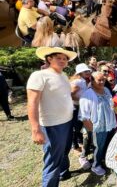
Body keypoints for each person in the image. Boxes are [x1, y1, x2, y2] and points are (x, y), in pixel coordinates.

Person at [27, 47, 77, 186]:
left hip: (68, 121)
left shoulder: (64, 75)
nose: (62, 61)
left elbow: (65, 95)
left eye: (65, 58)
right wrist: (35, 129)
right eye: (58, 57)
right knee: (52, 161)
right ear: (49, 58)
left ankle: (63, 172)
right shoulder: (39, 75)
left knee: (64, 152)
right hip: (52, 125)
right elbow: (32, 103)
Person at [78, 71, 117, 176]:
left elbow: (110, 105)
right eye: (98, 80)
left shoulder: (106, 90)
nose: (101, 82)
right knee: (98, 147)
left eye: (103, 79)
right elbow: (84, 116)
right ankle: (95, 165)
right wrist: (91, 130)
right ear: (92, 80)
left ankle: (103, 159)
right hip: (97, 127)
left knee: (105, 145)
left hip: (109, 124)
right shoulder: (87, 94)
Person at [70, 63, 91, 152]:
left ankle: (79, 142)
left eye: (88, 71)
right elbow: (69, 95)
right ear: (80, 72)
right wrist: (82, 99)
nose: (87, 72)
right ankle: (75, 145)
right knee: (76, 127)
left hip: (79, 106)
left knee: (79, 125)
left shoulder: (83, 80)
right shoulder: (78, 81)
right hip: (76, 106)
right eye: (85, 71)